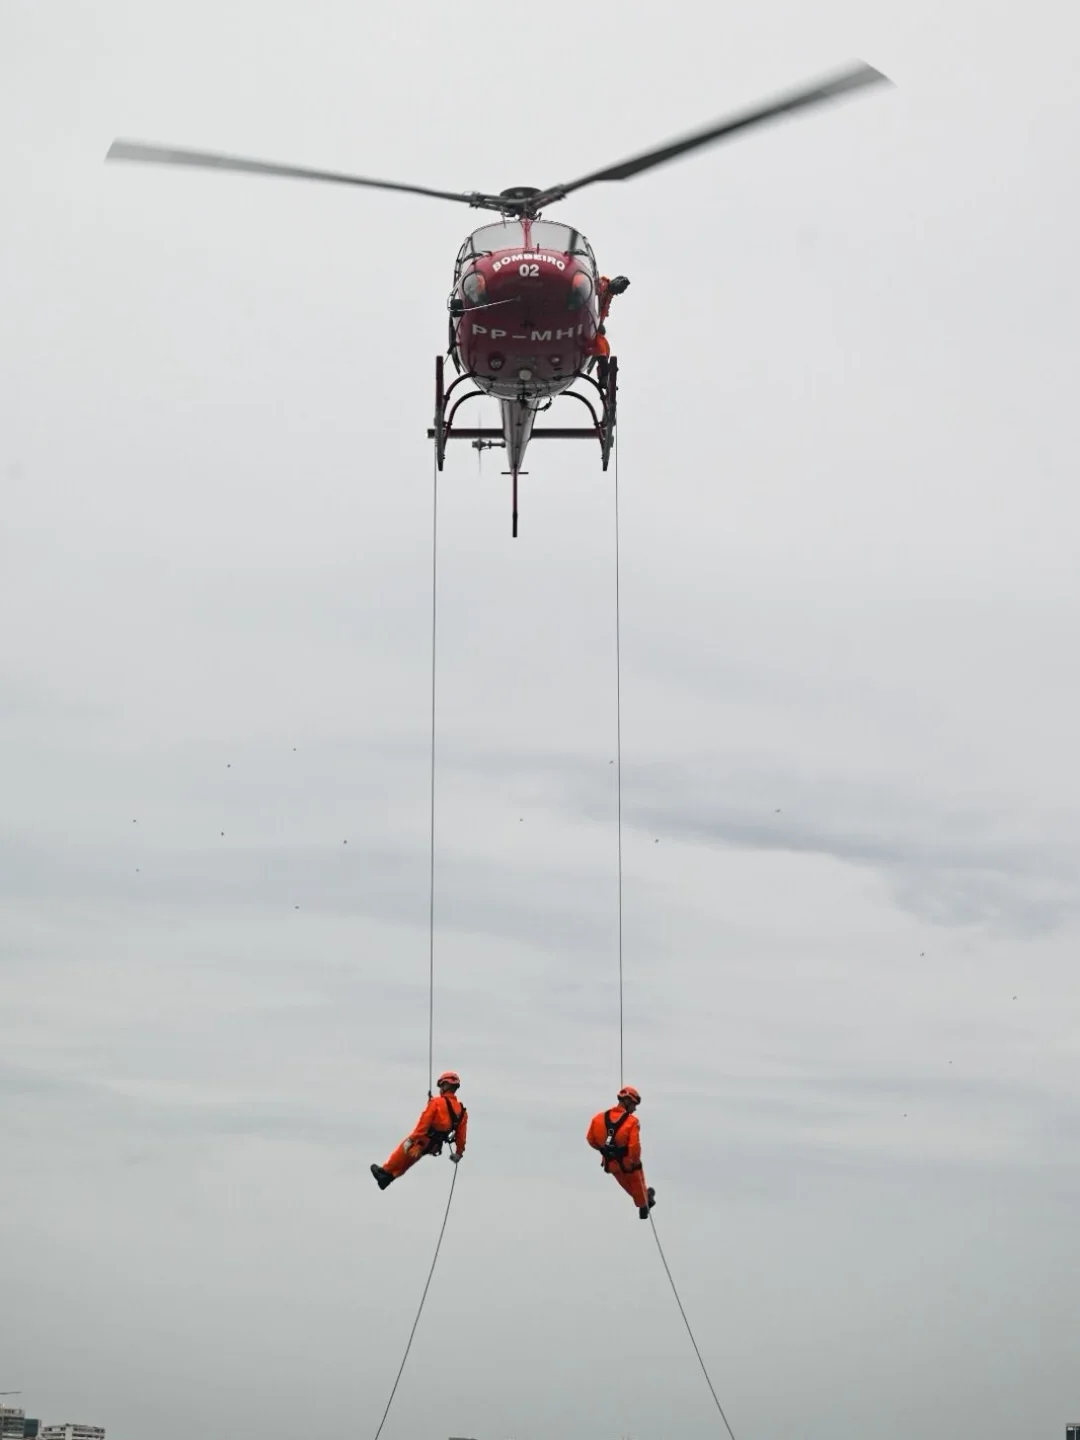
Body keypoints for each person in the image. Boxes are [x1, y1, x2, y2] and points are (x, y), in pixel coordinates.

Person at [371, 1071, 467, 1190]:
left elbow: (423, 1124)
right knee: (409, 1160)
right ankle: (388, 1178)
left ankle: (384, 1172)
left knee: (402, 1153)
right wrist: (458, 1153)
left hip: (422, 1140)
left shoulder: (436, 1103)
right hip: (434, 1146)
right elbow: (461, 1137)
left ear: (445, 1086)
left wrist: (412, 1139)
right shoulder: (462, 1111)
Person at [587, 1084, 656, 1218]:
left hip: (611, 1165)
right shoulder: (632, 1122)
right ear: (628, 1102)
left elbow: (590, 1139)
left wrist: (603, 1149)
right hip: (628, 1165)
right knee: (637, 1187)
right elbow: (634, 1147)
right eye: (634, 1105)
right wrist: (634, 1162)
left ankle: (645, 1201)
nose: (635, 1109)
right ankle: (644, 1204)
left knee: (630, 1188)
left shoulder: (598, 1119)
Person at [590, 274, 631, 358]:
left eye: (619, 292)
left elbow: (603, 312)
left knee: (601, 332)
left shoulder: (608, 296)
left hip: (592, 318)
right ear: (616, 282)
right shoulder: (602, 284)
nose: (617, 293)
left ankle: (599, 358)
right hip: (586, 312)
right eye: (619, 290)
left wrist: (600, 322)